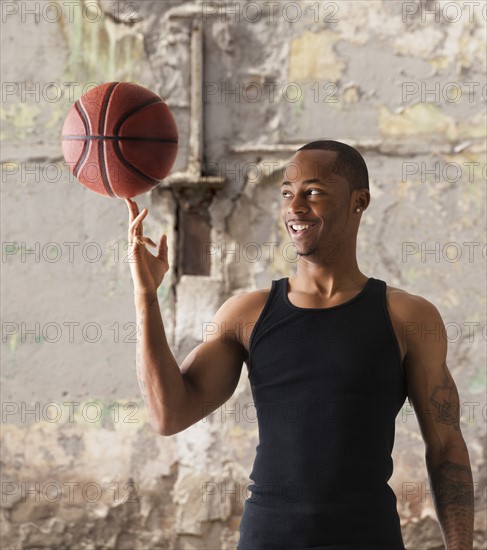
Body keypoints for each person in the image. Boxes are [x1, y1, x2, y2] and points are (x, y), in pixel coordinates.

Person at [125, 140, 474, 549]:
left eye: (313, 192)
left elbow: (447, 447)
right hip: (269, 538)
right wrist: (146, 298)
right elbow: (169, 415)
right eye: (287, 194)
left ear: (358, 201)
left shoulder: (408, 317)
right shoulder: (246, 314)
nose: (294, 207)